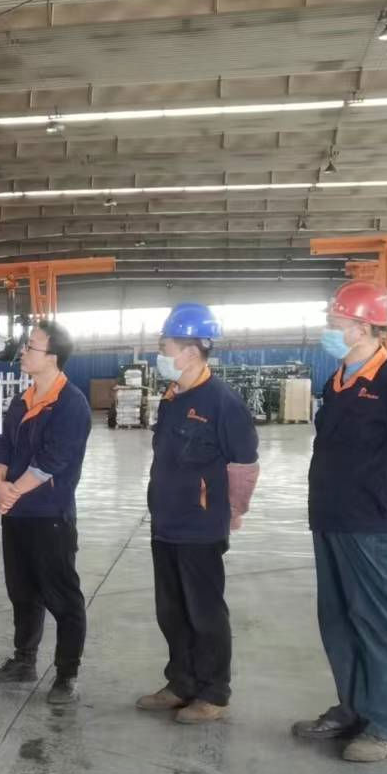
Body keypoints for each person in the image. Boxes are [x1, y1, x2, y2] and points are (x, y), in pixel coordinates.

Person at [292, 282, 387, 764]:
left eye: (334, 323)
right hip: (332, 520)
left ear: (360, 328)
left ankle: (384, 725)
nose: (328, 330)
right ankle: (353, 709)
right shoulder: (337, 380)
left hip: (375, 526)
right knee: (338, 621)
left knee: (380, 626)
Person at [138, 305, 259, 724]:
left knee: (204, 612)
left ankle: (213, 692)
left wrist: (234, 510)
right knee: (171, 611)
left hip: (201, 526)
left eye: (166, 347)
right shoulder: (173, 397)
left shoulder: (222, 401)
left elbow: (244, 464)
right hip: (166, 521)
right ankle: (181, 683)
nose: (161, 353)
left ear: (190, 351)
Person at [0, 320, 93, 703]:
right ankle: (24, 660)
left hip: (50, 515)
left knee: (62, 597)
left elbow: (53, 460)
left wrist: (11, 492)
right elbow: (5, 442)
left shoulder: (71, 404)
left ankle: (66, 674)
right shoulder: (23, 399)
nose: (23, 352)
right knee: (22, 592)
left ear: (52, 357)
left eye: (31, 347)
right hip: (17, 514)